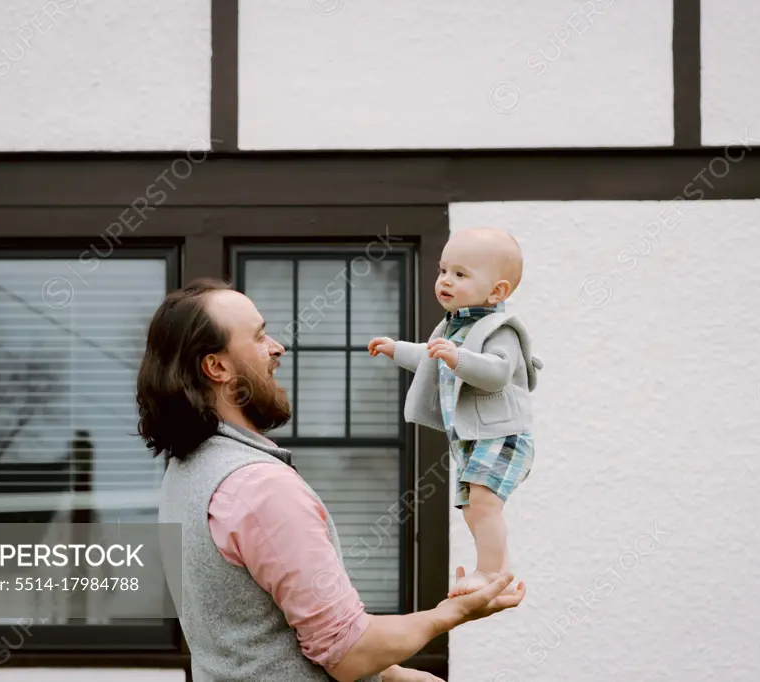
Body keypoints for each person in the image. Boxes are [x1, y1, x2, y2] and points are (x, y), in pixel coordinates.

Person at [138, 278, 525, 682]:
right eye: (258, 337)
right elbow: (349, 653)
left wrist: (394, 677)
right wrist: (454, 612)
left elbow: (254, 634)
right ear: (216, 367)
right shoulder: (258, 488)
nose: (277, 347)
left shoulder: (186, 470)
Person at [368, 227, 541, 597]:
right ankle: (500, 575)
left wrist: (458, 357)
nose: (445, 280)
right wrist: (395, 348)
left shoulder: (500, 329)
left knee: (482, 502)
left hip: (503, 433)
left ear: (497, 292)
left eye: (460, 274)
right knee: (474, 508)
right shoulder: (452, 326)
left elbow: (496, 373)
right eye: (443, 270)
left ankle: (488, 572)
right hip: (473, 437)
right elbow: (429, 358)